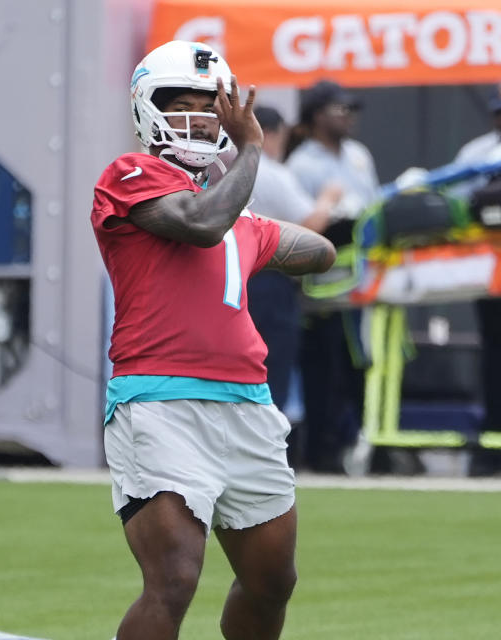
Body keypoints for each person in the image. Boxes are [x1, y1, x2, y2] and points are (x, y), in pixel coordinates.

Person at [92, 41, 336, 640]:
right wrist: (252, 148)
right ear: (147, 110)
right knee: (174, 578)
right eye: (182, 103)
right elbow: (199, 224)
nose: (199, 117)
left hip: (248, 405)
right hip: (161, 402)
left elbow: (320, 252)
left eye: (210, 106)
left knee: (272, 581)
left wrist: (267, 236)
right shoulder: (130, 174)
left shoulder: (238, 219)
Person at [284, 80, 380, 473]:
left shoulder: (358, 155)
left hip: (360, 288)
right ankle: (321, 453)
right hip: (319, 293)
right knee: (323, 371)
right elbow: (299, 227)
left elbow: (374, 210)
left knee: (359, 369)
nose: (348, 117)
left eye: (350, 109)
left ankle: (358, 447)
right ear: (317, 115)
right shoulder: (302, 165)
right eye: (339, 109)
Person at [246, 106, 342, 414]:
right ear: (270, 135)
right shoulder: (272, 172)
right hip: (270, 280)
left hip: (231, 278)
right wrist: (328, 199)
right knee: (272, 368)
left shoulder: (223, 168)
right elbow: (310, 223)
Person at [453, 87, 501, 476]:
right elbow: (452, 202)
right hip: (490, 277)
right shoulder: (477, 154)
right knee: (493, 359)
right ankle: (490, 445)